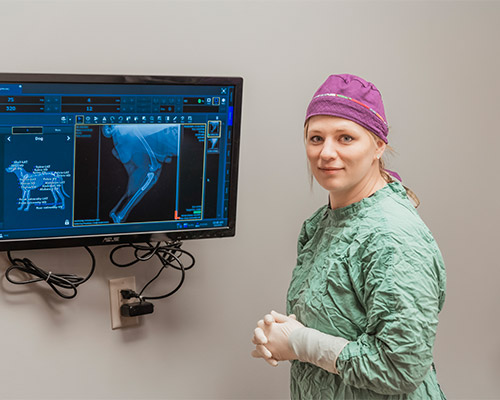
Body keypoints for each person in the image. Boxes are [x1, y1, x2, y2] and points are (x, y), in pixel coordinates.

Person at [251, 74, 446, 399]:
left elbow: (402, 367)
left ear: (378, 145)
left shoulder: (392, 236)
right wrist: (280, 335)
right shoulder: (320, 223)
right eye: (316, 139)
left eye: (345, 138)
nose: (326, 152)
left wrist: (299, 343)